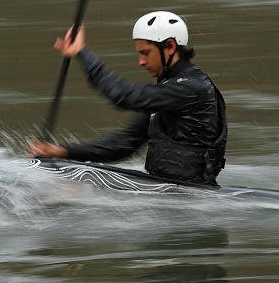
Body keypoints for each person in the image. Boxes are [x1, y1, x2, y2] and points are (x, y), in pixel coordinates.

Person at [29, 11, 227, 186]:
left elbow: (124, 96)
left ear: (170, 47)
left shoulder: (192, 88)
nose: (141, 62)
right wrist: (64, 153)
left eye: (145, 53)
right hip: (163, 184)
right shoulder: (167, 91)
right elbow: (124, 144)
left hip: (188, 190)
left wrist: (82, 53)